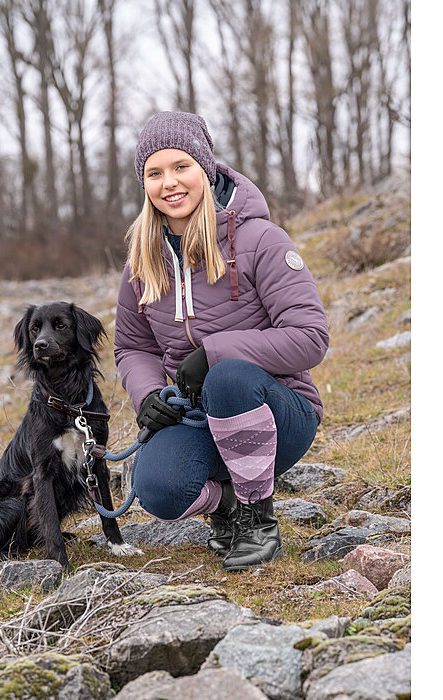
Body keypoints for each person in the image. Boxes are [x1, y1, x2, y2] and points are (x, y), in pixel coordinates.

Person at [114, 111, 329, 571]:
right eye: (155, 173)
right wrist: (150, 394)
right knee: (158, 488)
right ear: (144, 183)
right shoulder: (142, 260)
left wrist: (214, 353)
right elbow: (133, 347)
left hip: (279, 413)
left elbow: (311, 337)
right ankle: (227, 503)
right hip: (200, 419)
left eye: (181, 167)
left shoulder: (260, 240)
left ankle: (257, 520)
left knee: (228, 378)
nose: (169, 183)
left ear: (206, 169)